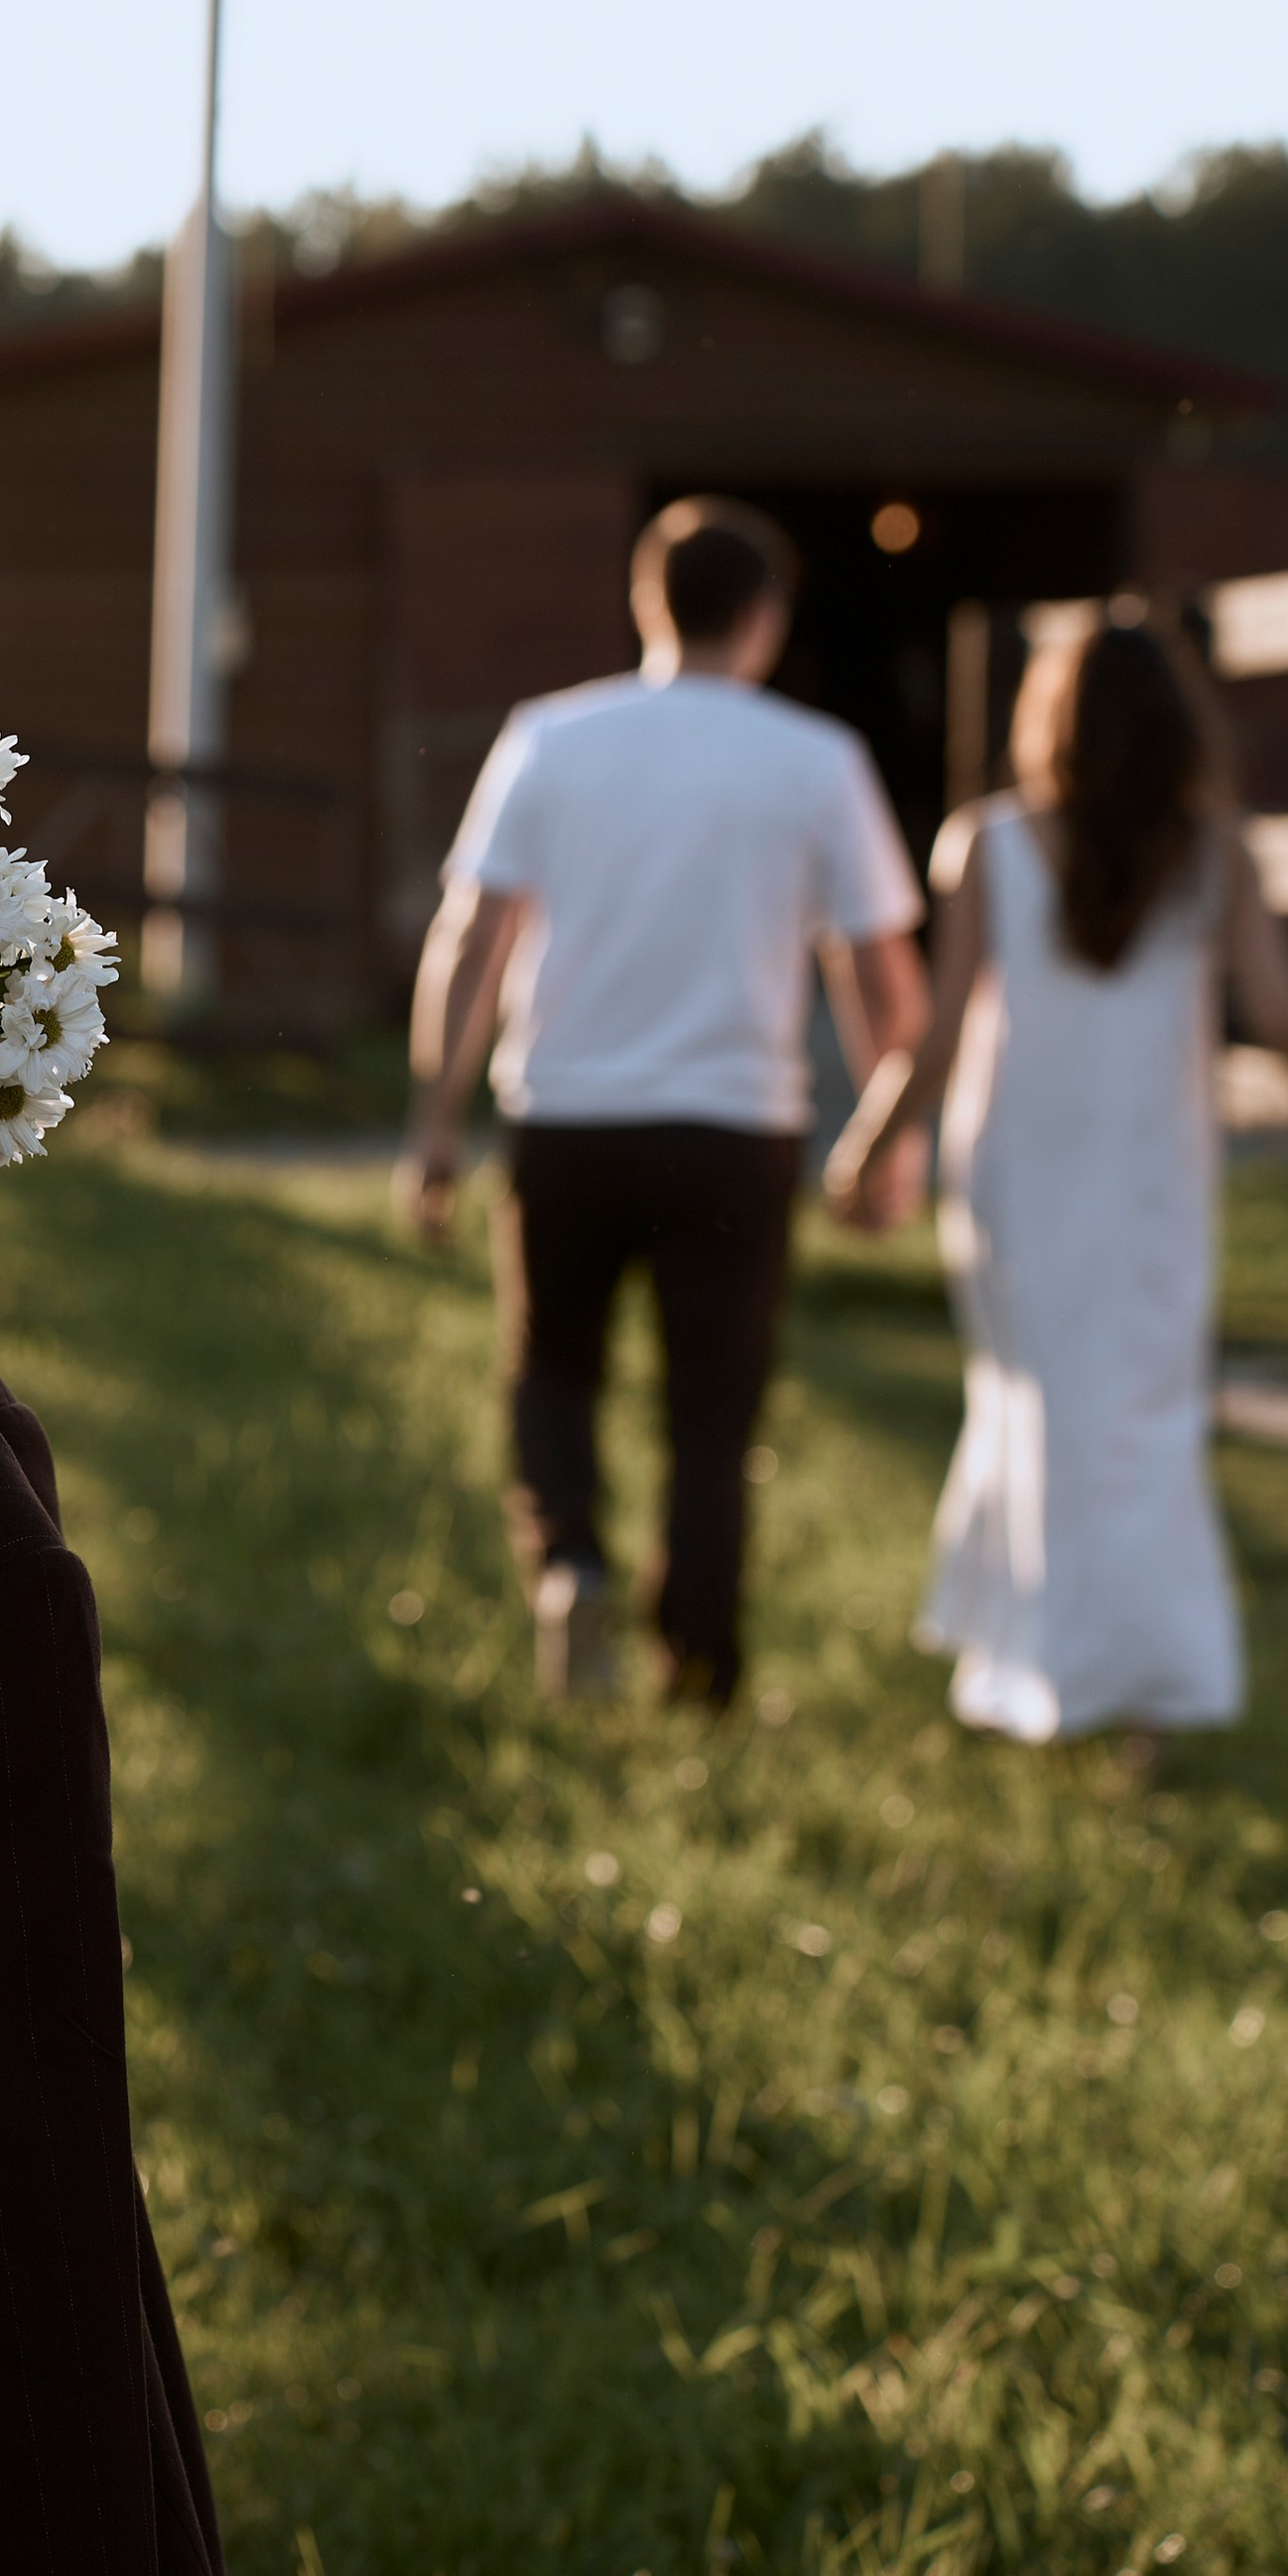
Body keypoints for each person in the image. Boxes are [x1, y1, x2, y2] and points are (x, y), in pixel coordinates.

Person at [399, 496, 927, 1704]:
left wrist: (433, 1122)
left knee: (552, 1371)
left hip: (564, 1117)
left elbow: (469, 936)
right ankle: (696, 1669)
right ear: (765, 619)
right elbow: (877, 973)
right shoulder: (816, 761)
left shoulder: (549, 737)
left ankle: (568, 1563)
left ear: (645, 602)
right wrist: (888, 1136)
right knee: (711, 1415)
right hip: (735, 1129)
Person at [826, 611, 1288, 1744]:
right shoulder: (1216, 854)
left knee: (1035, 1402)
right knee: (1145, 1415)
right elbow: (1278, 1017)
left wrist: (867, 1142)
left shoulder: (988, 841)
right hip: (1157, 1172)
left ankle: (1052, 1667)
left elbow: (940, 1034)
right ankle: (1124, 1690)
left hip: (1022, 1166)